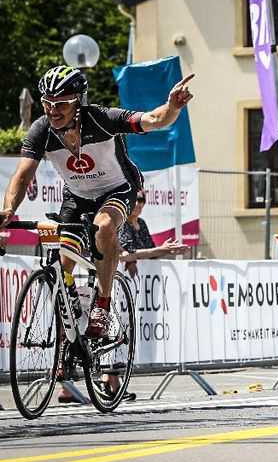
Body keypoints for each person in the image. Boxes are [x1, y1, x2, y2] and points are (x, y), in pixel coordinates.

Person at [0, 66, 194, 339]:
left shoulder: (102, 119)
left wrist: (172, 107)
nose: (53, 110)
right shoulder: (41, 130)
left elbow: (153, 120)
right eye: (47, 103)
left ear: (78, 102)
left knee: (103, 226)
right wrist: (9, 210)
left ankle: (102, 303)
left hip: (117, 190)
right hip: (77, 196)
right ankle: (70, 328)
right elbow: (22, 176)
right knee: (62, 265)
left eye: (61, 104)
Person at [119, 189, 191, 277]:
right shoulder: (121, 223)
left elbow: (151, 253)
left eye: (141, 200)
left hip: (145, 276)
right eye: (134, 199)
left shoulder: (142, 223)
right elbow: (129, 254)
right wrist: (162, 250)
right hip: (126, 277)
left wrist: (166, 251)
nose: (138, 203)